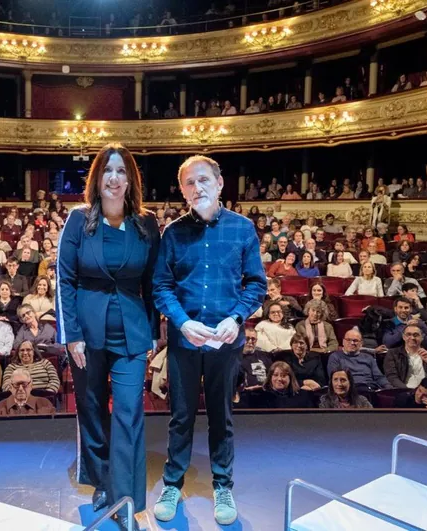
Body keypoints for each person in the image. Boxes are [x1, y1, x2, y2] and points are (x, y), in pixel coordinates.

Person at [152, 155, 266, 526]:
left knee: (222, 417)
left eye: (203, 180)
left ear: (219, 183)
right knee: (180, 417)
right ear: (183, 190)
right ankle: (172, 483)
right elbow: (161, 286)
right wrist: (182, 323)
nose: (196, 188)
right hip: (186, 342)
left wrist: (236, 317)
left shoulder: (243, 229)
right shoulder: (172, 233)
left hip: (225, 341)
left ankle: (222, 484)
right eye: (188, 183)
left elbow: (256, 284)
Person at [56, 143, 161, 529]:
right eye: (108, 171)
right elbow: (64, 278)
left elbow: (153, 281)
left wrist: (153, 330)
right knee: (93, 410)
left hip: (132, 331)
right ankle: (101, 481)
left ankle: (126, 497)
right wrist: (71, 335)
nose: (114, 179)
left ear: (131, 180)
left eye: (121, 172)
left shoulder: (146, 224)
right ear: (97, 179)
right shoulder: (78, 219)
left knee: (130, 412)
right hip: (87, 331)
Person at [383, 324, 427, 389]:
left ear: (422, 337)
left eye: (416, 335)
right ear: (403, 337)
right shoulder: (393, 354)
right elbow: (392, 377)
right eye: (408, 335)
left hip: (426, 392)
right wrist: (408, 391)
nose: (412, 338)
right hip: (404, 391)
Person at [247, 361, 316, 408]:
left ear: (290, 378)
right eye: (275, 375)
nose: (279, 379)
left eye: (283, 375)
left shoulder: (303, 396)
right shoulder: (260, 396)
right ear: (270, 377)